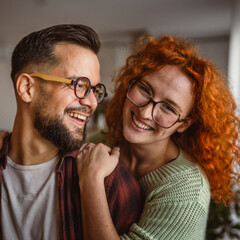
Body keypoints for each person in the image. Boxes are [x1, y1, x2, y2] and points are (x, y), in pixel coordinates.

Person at [76, 34, 240, 240]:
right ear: (130, 83)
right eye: (145, 89)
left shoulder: (187, 189)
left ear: (184, 124)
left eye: (169, 108)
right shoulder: (103, 141)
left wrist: (91, 179)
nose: (145, 113)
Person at [0, 24, 143, 240]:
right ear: (27, 88)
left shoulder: (110, 182)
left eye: (95, 90)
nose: (92, 103)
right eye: (79, 85)